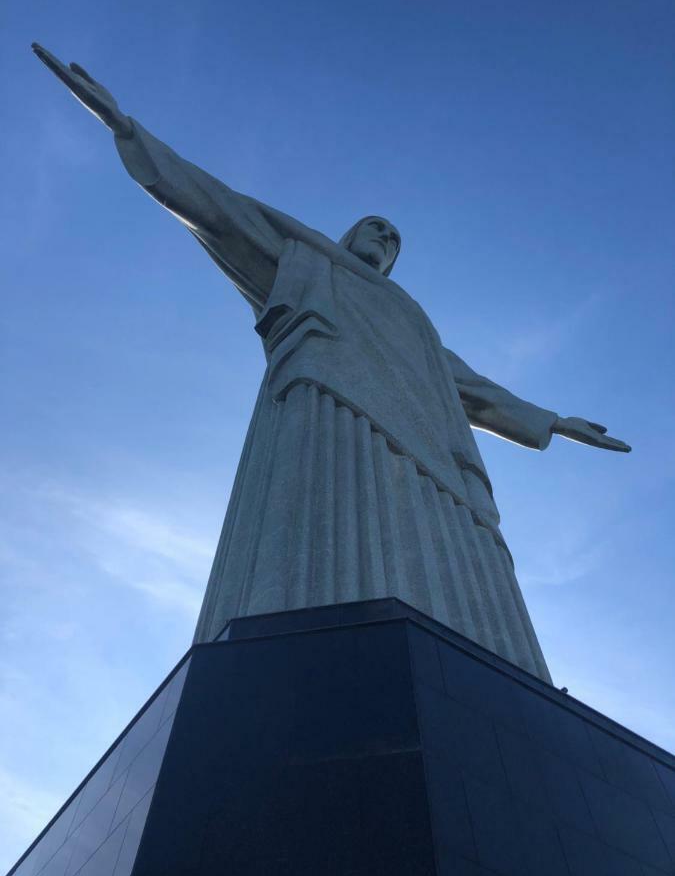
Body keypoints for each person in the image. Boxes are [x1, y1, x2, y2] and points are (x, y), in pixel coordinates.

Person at [32, 44, 630, 683]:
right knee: (326, 544)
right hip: (331, 402)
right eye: (376, 228)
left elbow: (471, 387)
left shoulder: (412, 319)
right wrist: (126, 129)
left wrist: (555, 420)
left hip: (436, 450)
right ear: (349, 236)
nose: (386, 240)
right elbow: (220, 209)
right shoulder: (307, 259)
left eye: (395, 240)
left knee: (460, 563)